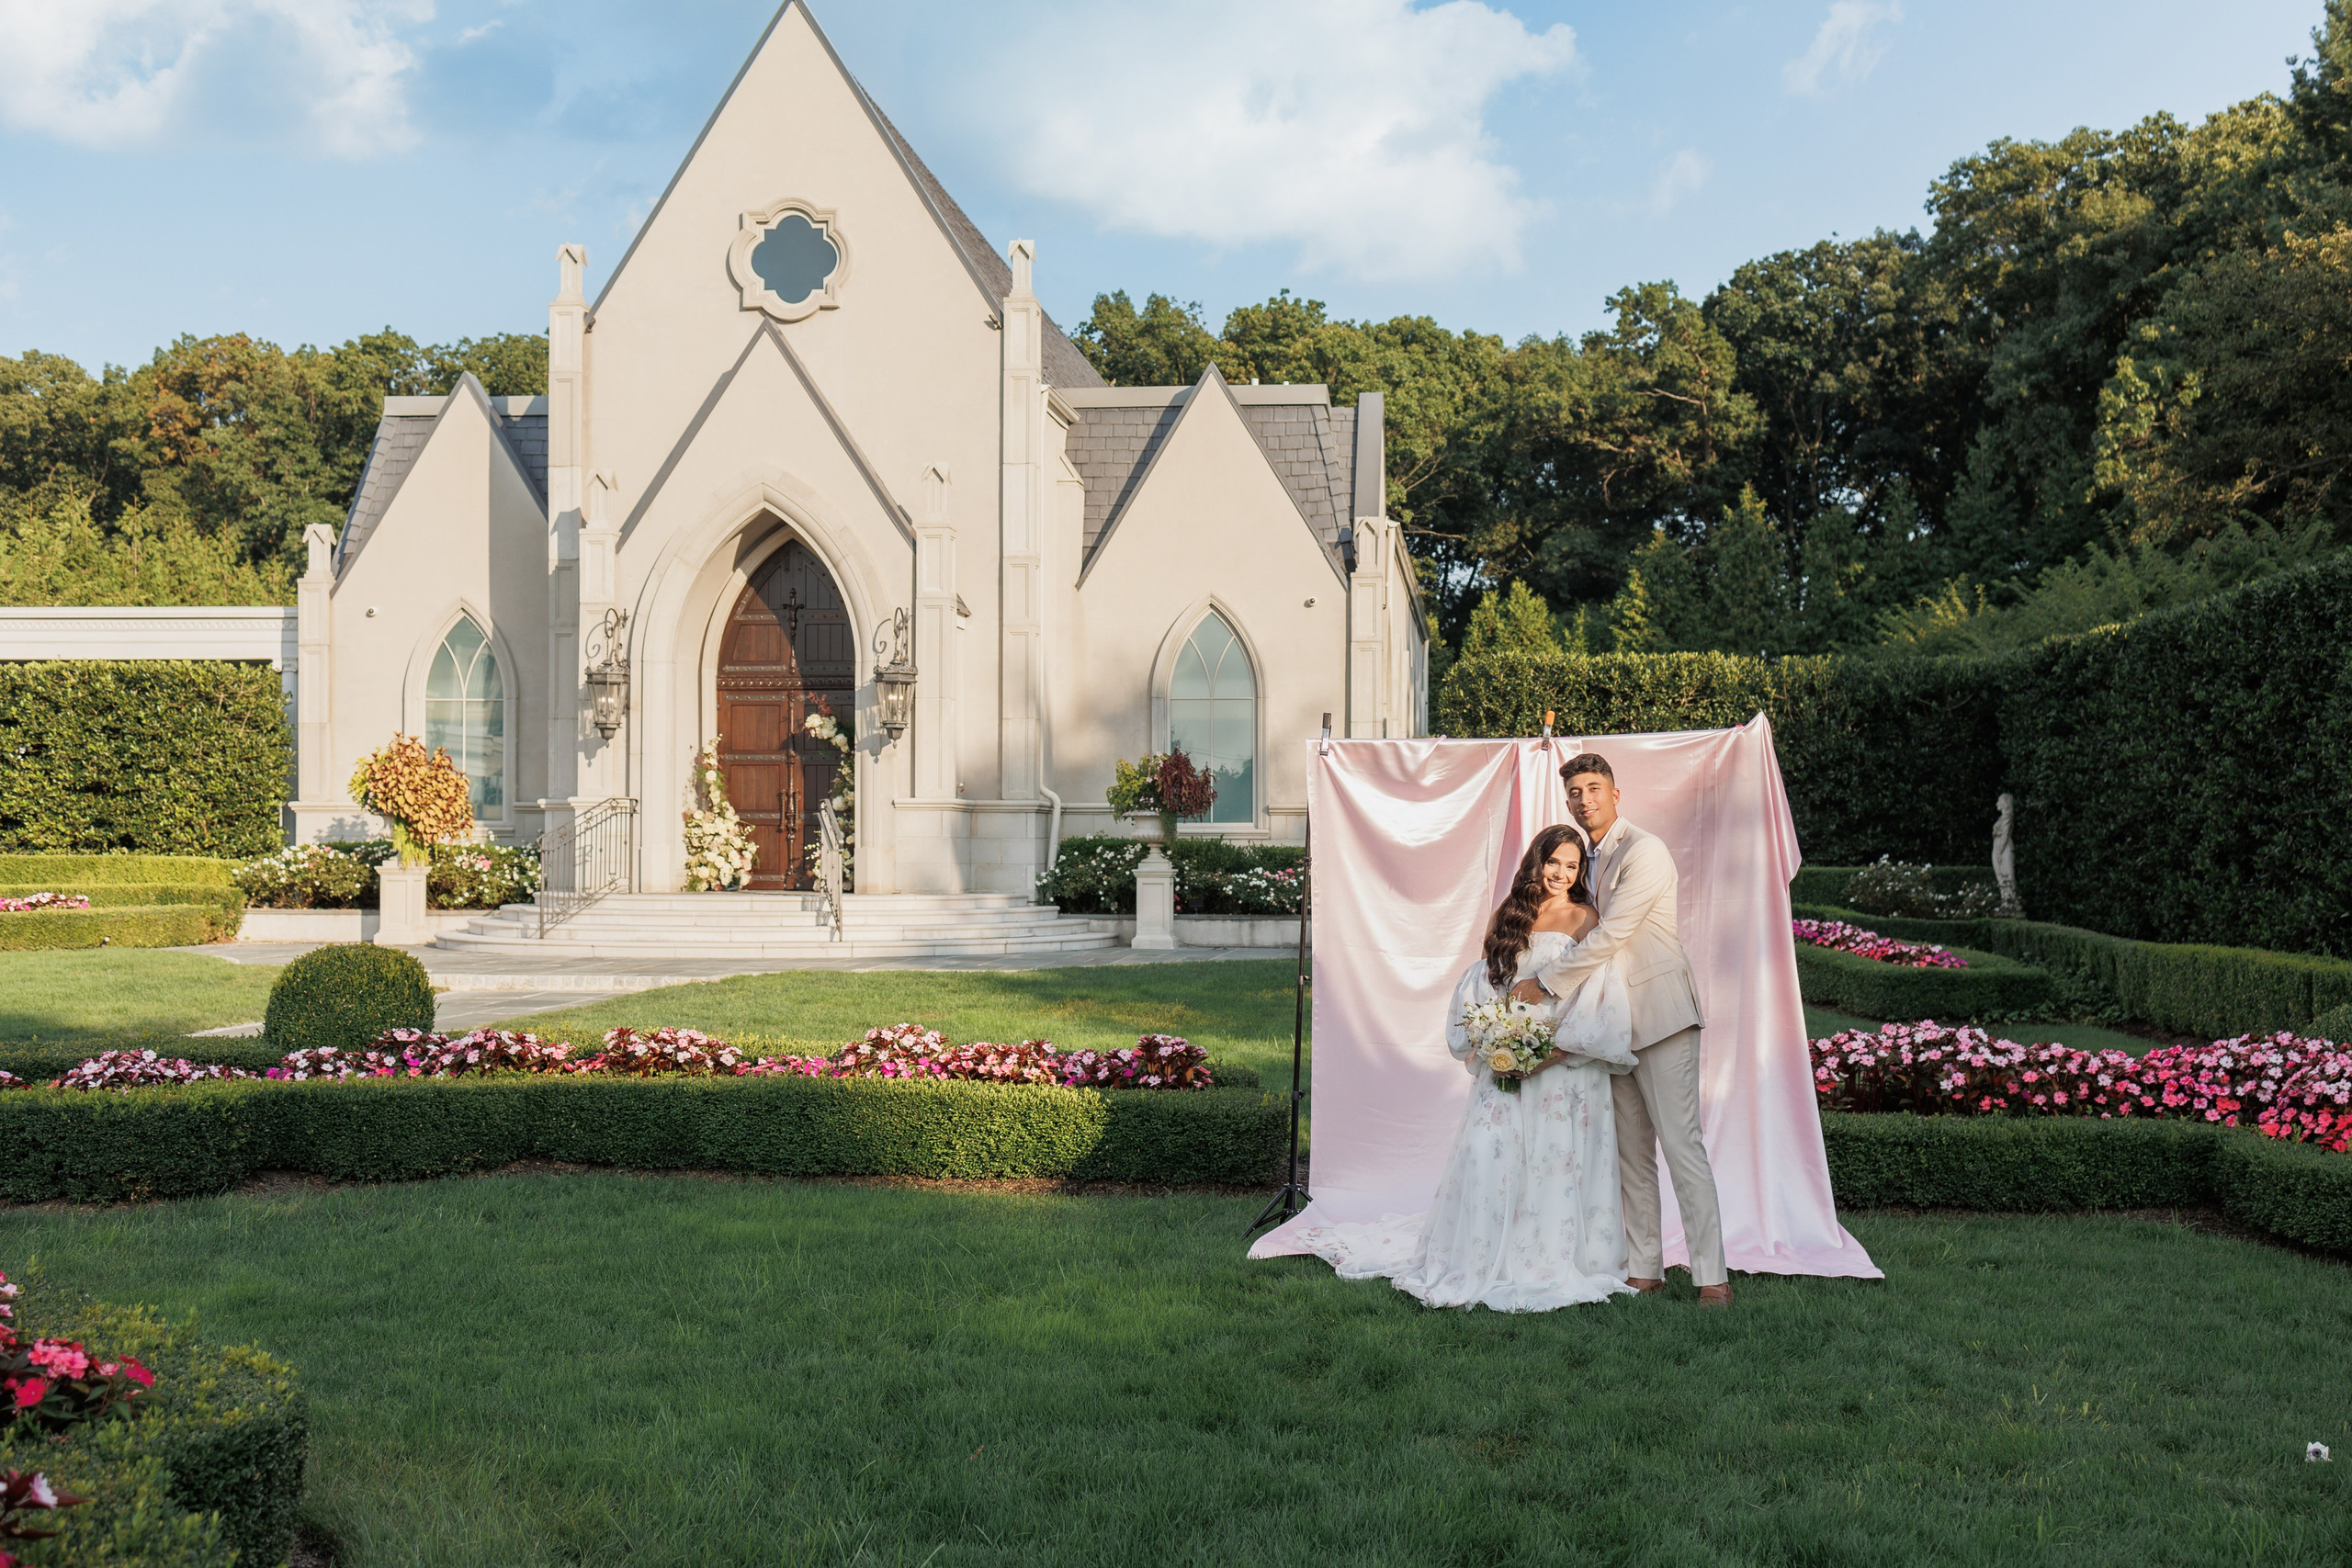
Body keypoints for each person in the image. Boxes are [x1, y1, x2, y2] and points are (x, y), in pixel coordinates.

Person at [1291, 825, 1639, 1311]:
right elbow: (1485, 987)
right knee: (1492, 1154)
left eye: (1572, 865)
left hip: (1563, 1065)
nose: (1561, 873)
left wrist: (1550, 1052)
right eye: (1553, 862)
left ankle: (1545, 1258)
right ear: (1535, 863)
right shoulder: (1508, 916)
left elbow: (1594, 992)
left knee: (1553, 1160)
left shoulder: (1585, 917)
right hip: (1507, 1063)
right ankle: (1481, 1254)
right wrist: (1500, 1044)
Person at [1513, 752, 1731, 1306]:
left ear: (1615, 793)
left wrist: (1545, 983)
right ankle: (1645, 1269)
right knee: (1632, 1153)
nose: (1583, 800)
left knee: (1683, 1147)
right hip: (1612, 1027)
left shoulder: (1645, 850)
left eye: (1593, 788)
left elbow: (1612, 935)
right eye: (1574, 793)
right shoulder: (1591, 858)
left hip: (1661, 1017)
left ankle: (1713, 1279)